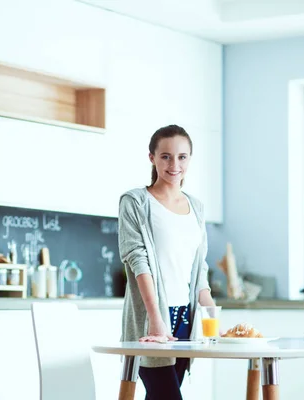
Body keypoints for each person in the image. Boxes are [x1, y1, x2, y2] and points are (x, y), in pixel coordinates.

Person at [118, 124, 217, 400]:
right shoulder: (136, 202)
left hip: (185, 320)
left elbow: (199, 267)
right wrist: (155, 319)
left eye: (182, 157)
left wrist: (211, 313)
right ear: (152, 157)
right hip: (153, 318)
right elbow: (138, 260)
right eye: (166, 156)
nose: (175, 164)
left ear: (190, 159)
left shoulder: (196, 207)